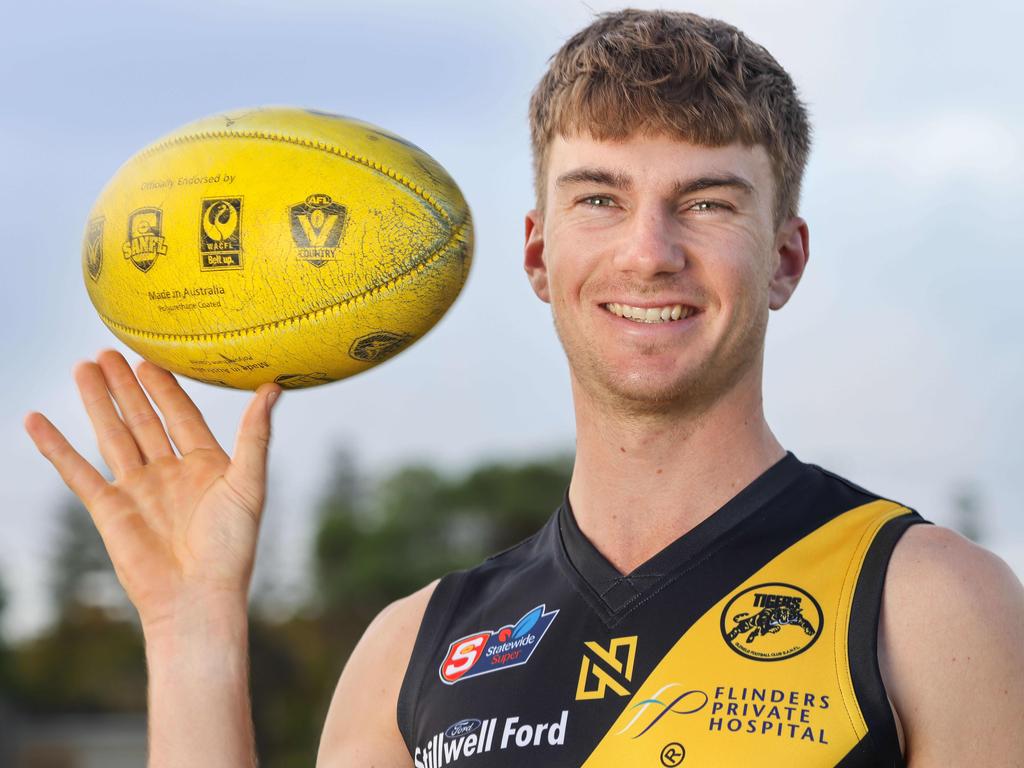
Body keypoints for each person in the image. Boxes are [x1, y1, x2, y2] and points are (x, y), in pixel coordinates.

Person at [24, 9, 1024, 768]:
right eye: (599, 198)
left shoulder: (927, 605)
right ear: (539, 254)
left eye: (707, 202)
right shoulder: (410, 652)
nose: (648, 252)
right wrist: (191, 630)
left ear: (785, 259)